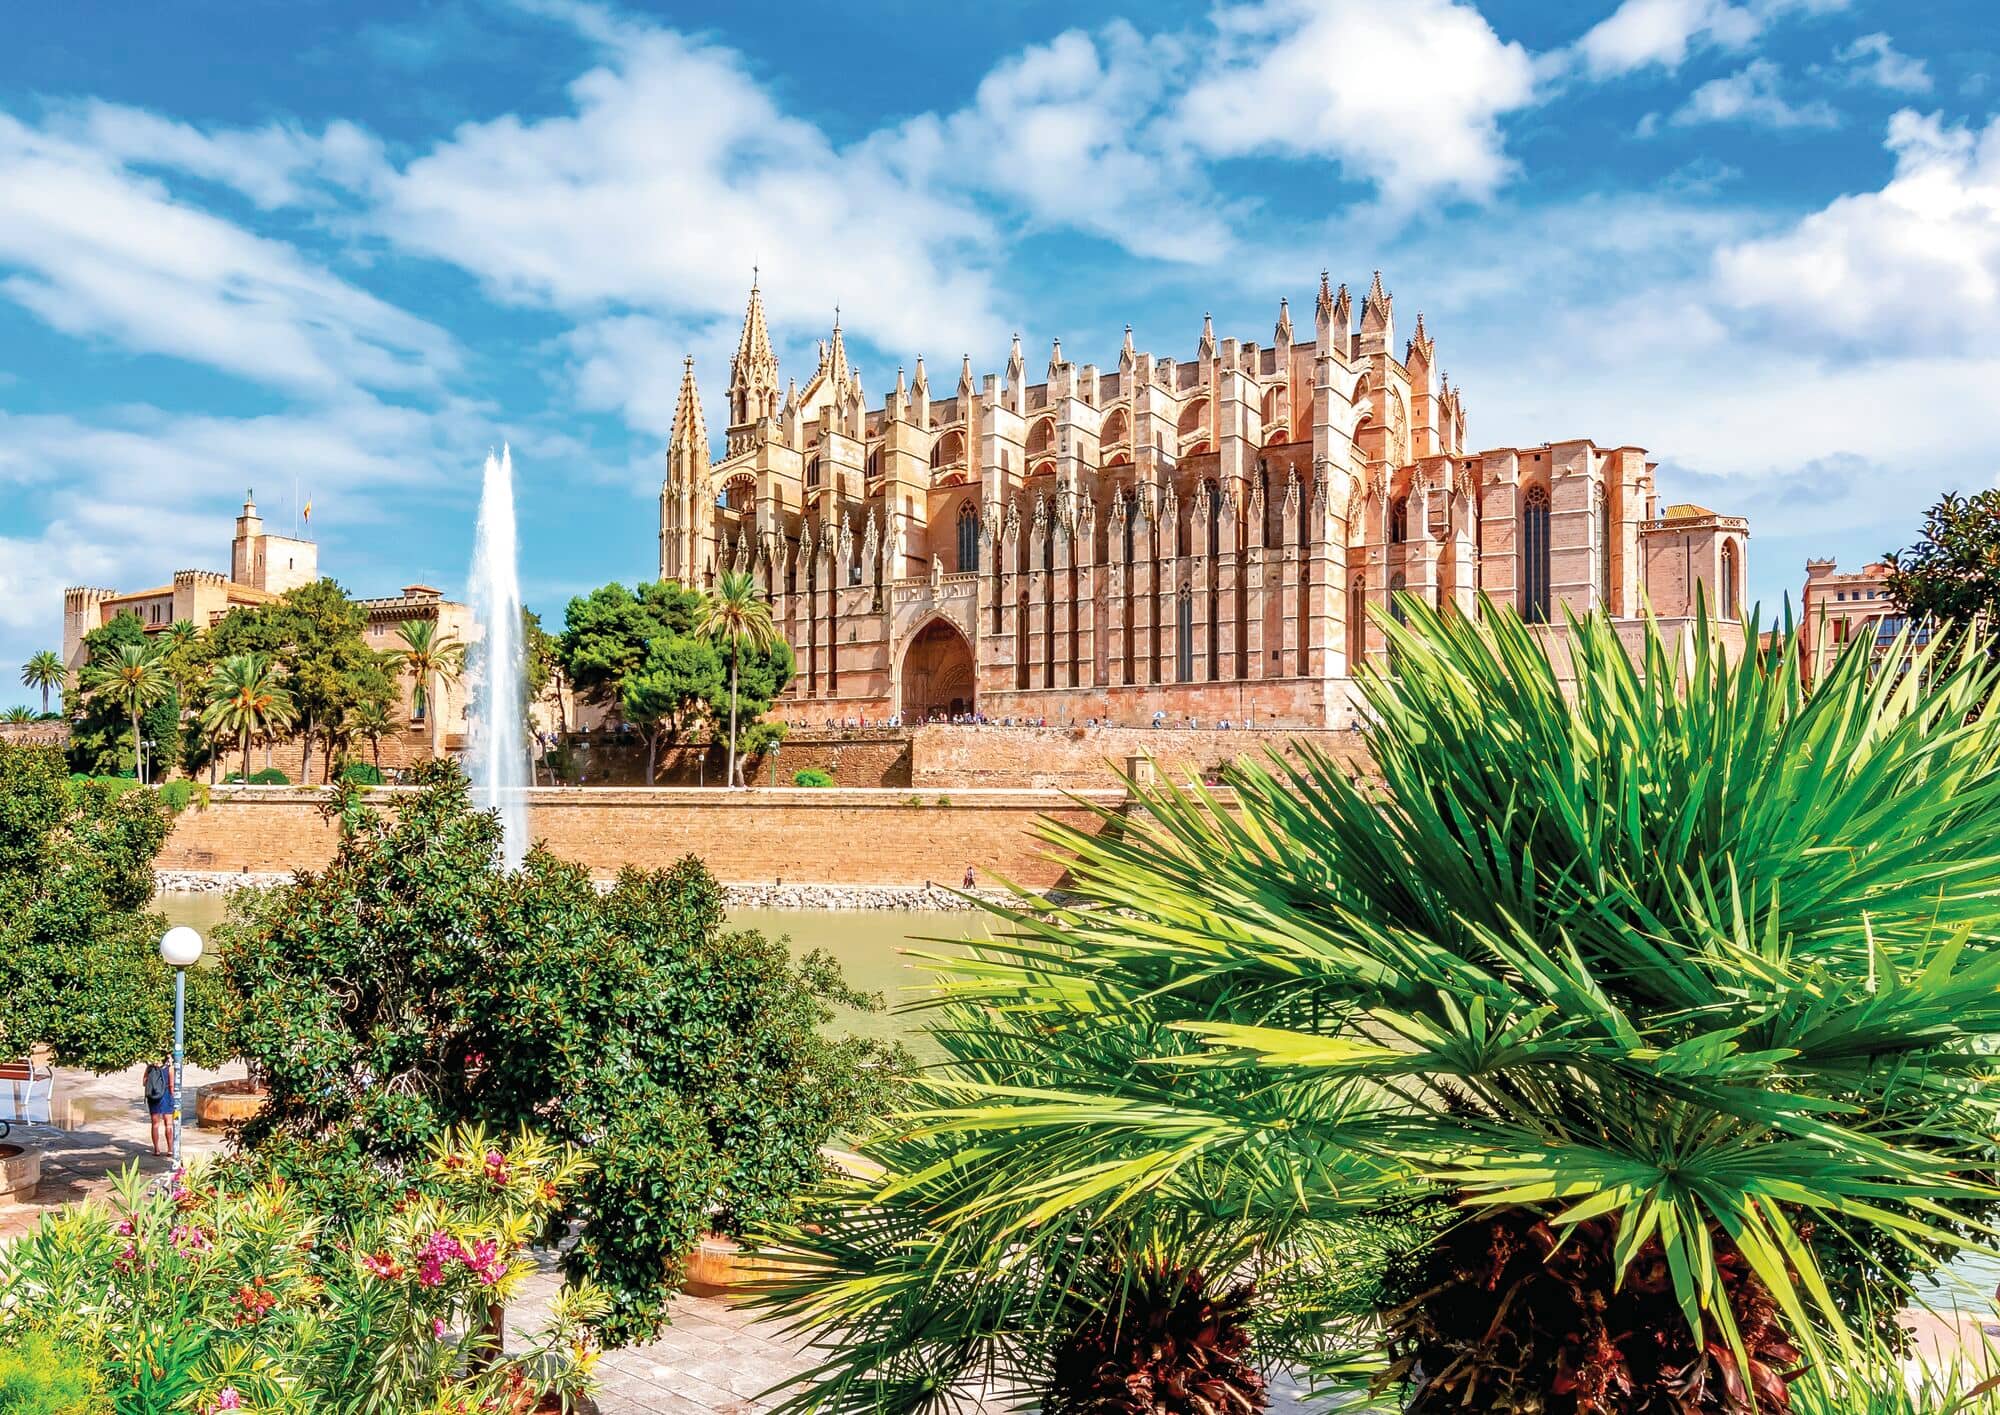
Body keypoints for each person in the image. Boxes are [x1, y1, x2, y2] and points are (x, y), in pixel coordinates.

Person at [143, 1057, 174, 1156]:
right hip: (166, 1095)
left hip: (154, 1096)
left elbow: (144, 1082)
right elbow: (172, 1086)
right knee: (168, 1124)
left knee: (155, 1125)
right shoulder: (170, 1068)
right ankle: (170, 1149)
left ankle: (156, 1149)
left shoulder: (149, 1067)